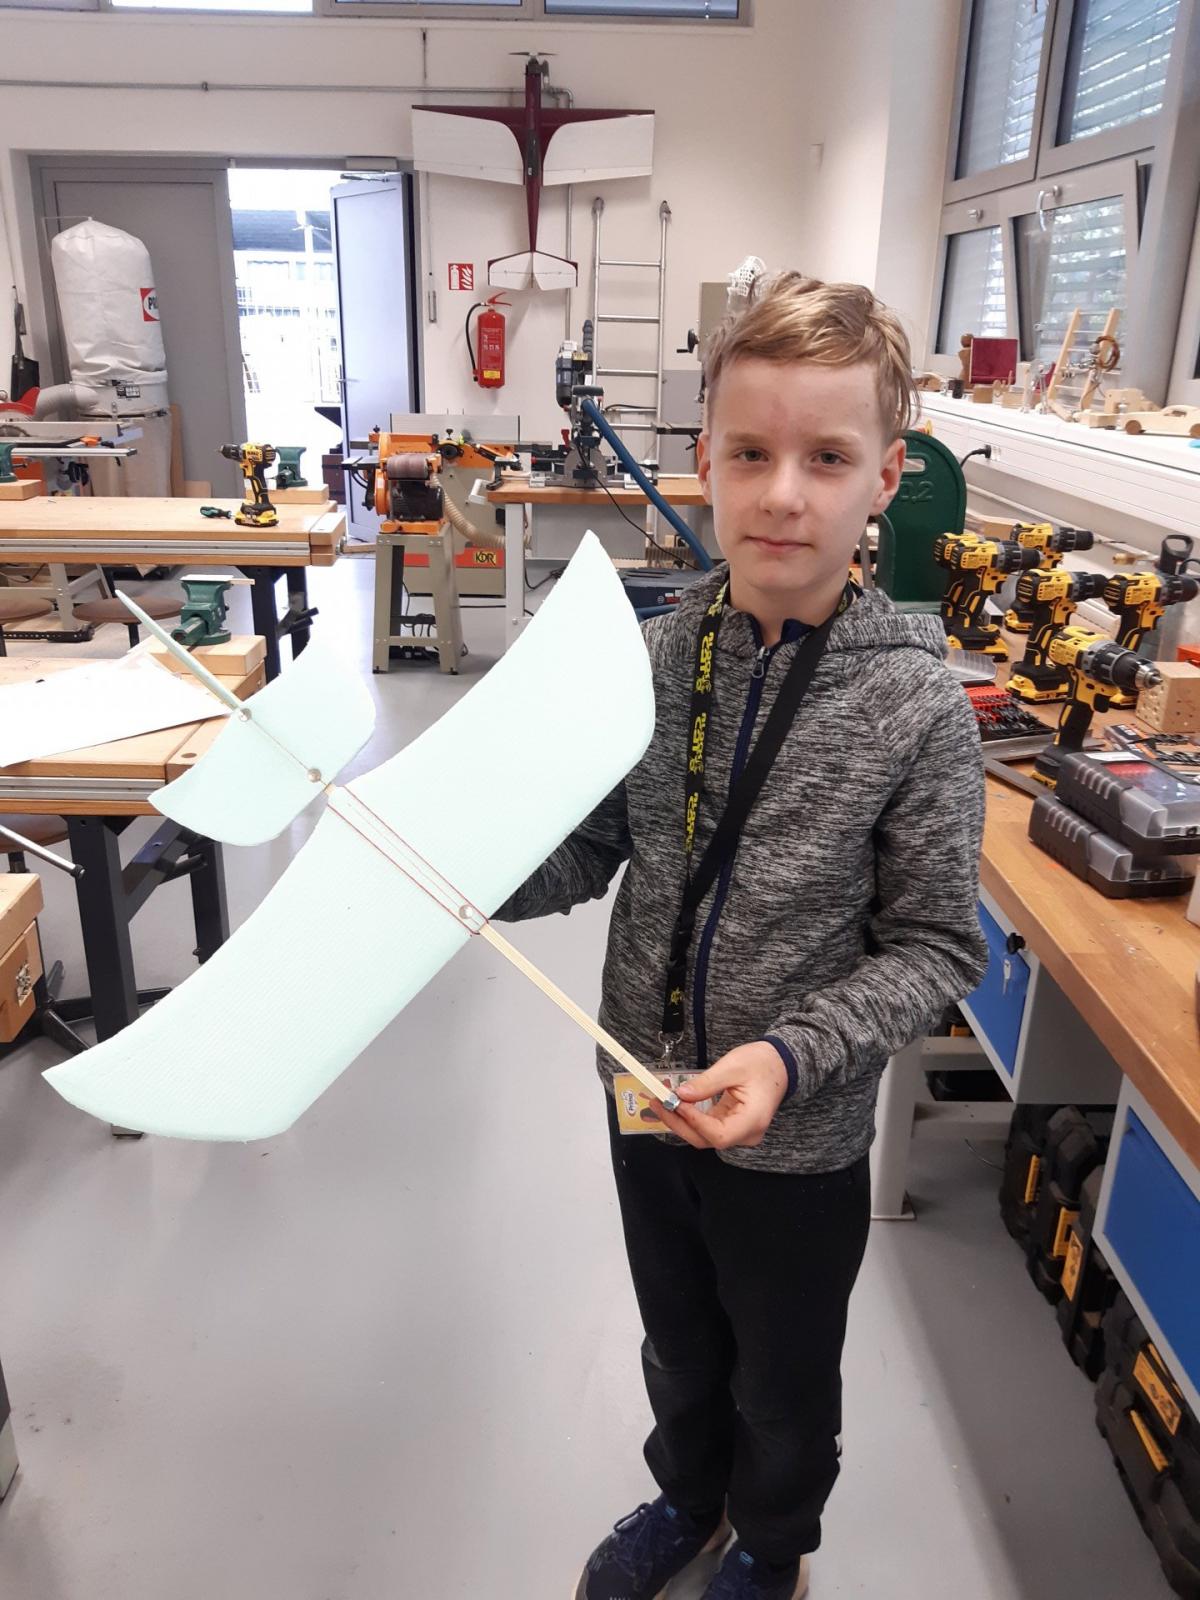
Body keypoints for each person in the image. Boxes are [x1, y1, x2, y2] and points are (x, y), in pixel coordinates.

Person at [496, 270, 989, 1600]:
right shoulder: (660, 658)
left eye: (826, 458)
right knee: (678, 1337)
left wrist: (787, 1056)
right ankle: (689, 1496)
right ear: (706, 458)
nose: (783, 495)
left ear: (886, 477)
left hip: (796, 1131)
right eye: (752, 454)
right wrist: (474, 873)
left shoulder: (919, 709)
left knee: (782, 1371)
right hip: (642, 1088)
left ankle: (771, 1542)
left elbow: (937, 948)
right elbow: (598, 844)